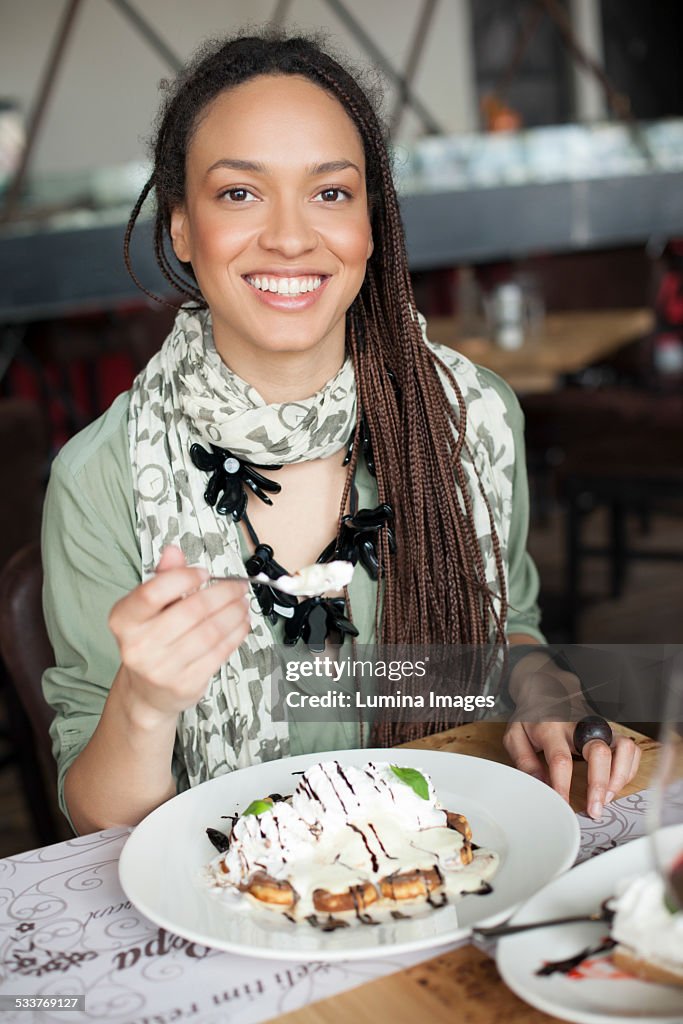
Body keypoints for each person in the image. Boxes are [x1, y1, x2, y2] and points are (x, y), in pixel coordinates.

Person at [41, 31, 640, 836]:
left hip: (451, 862)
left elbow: (508, 625)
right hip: (233, 912)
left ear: (371, 223)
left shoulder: (471, 418)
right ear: (182, 229)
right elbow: (95, 818)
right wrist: (145, 704)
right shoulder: (100, 476)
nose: (291, 237)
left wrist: (544, 689)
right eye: (239, 194)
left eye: (330, 193)